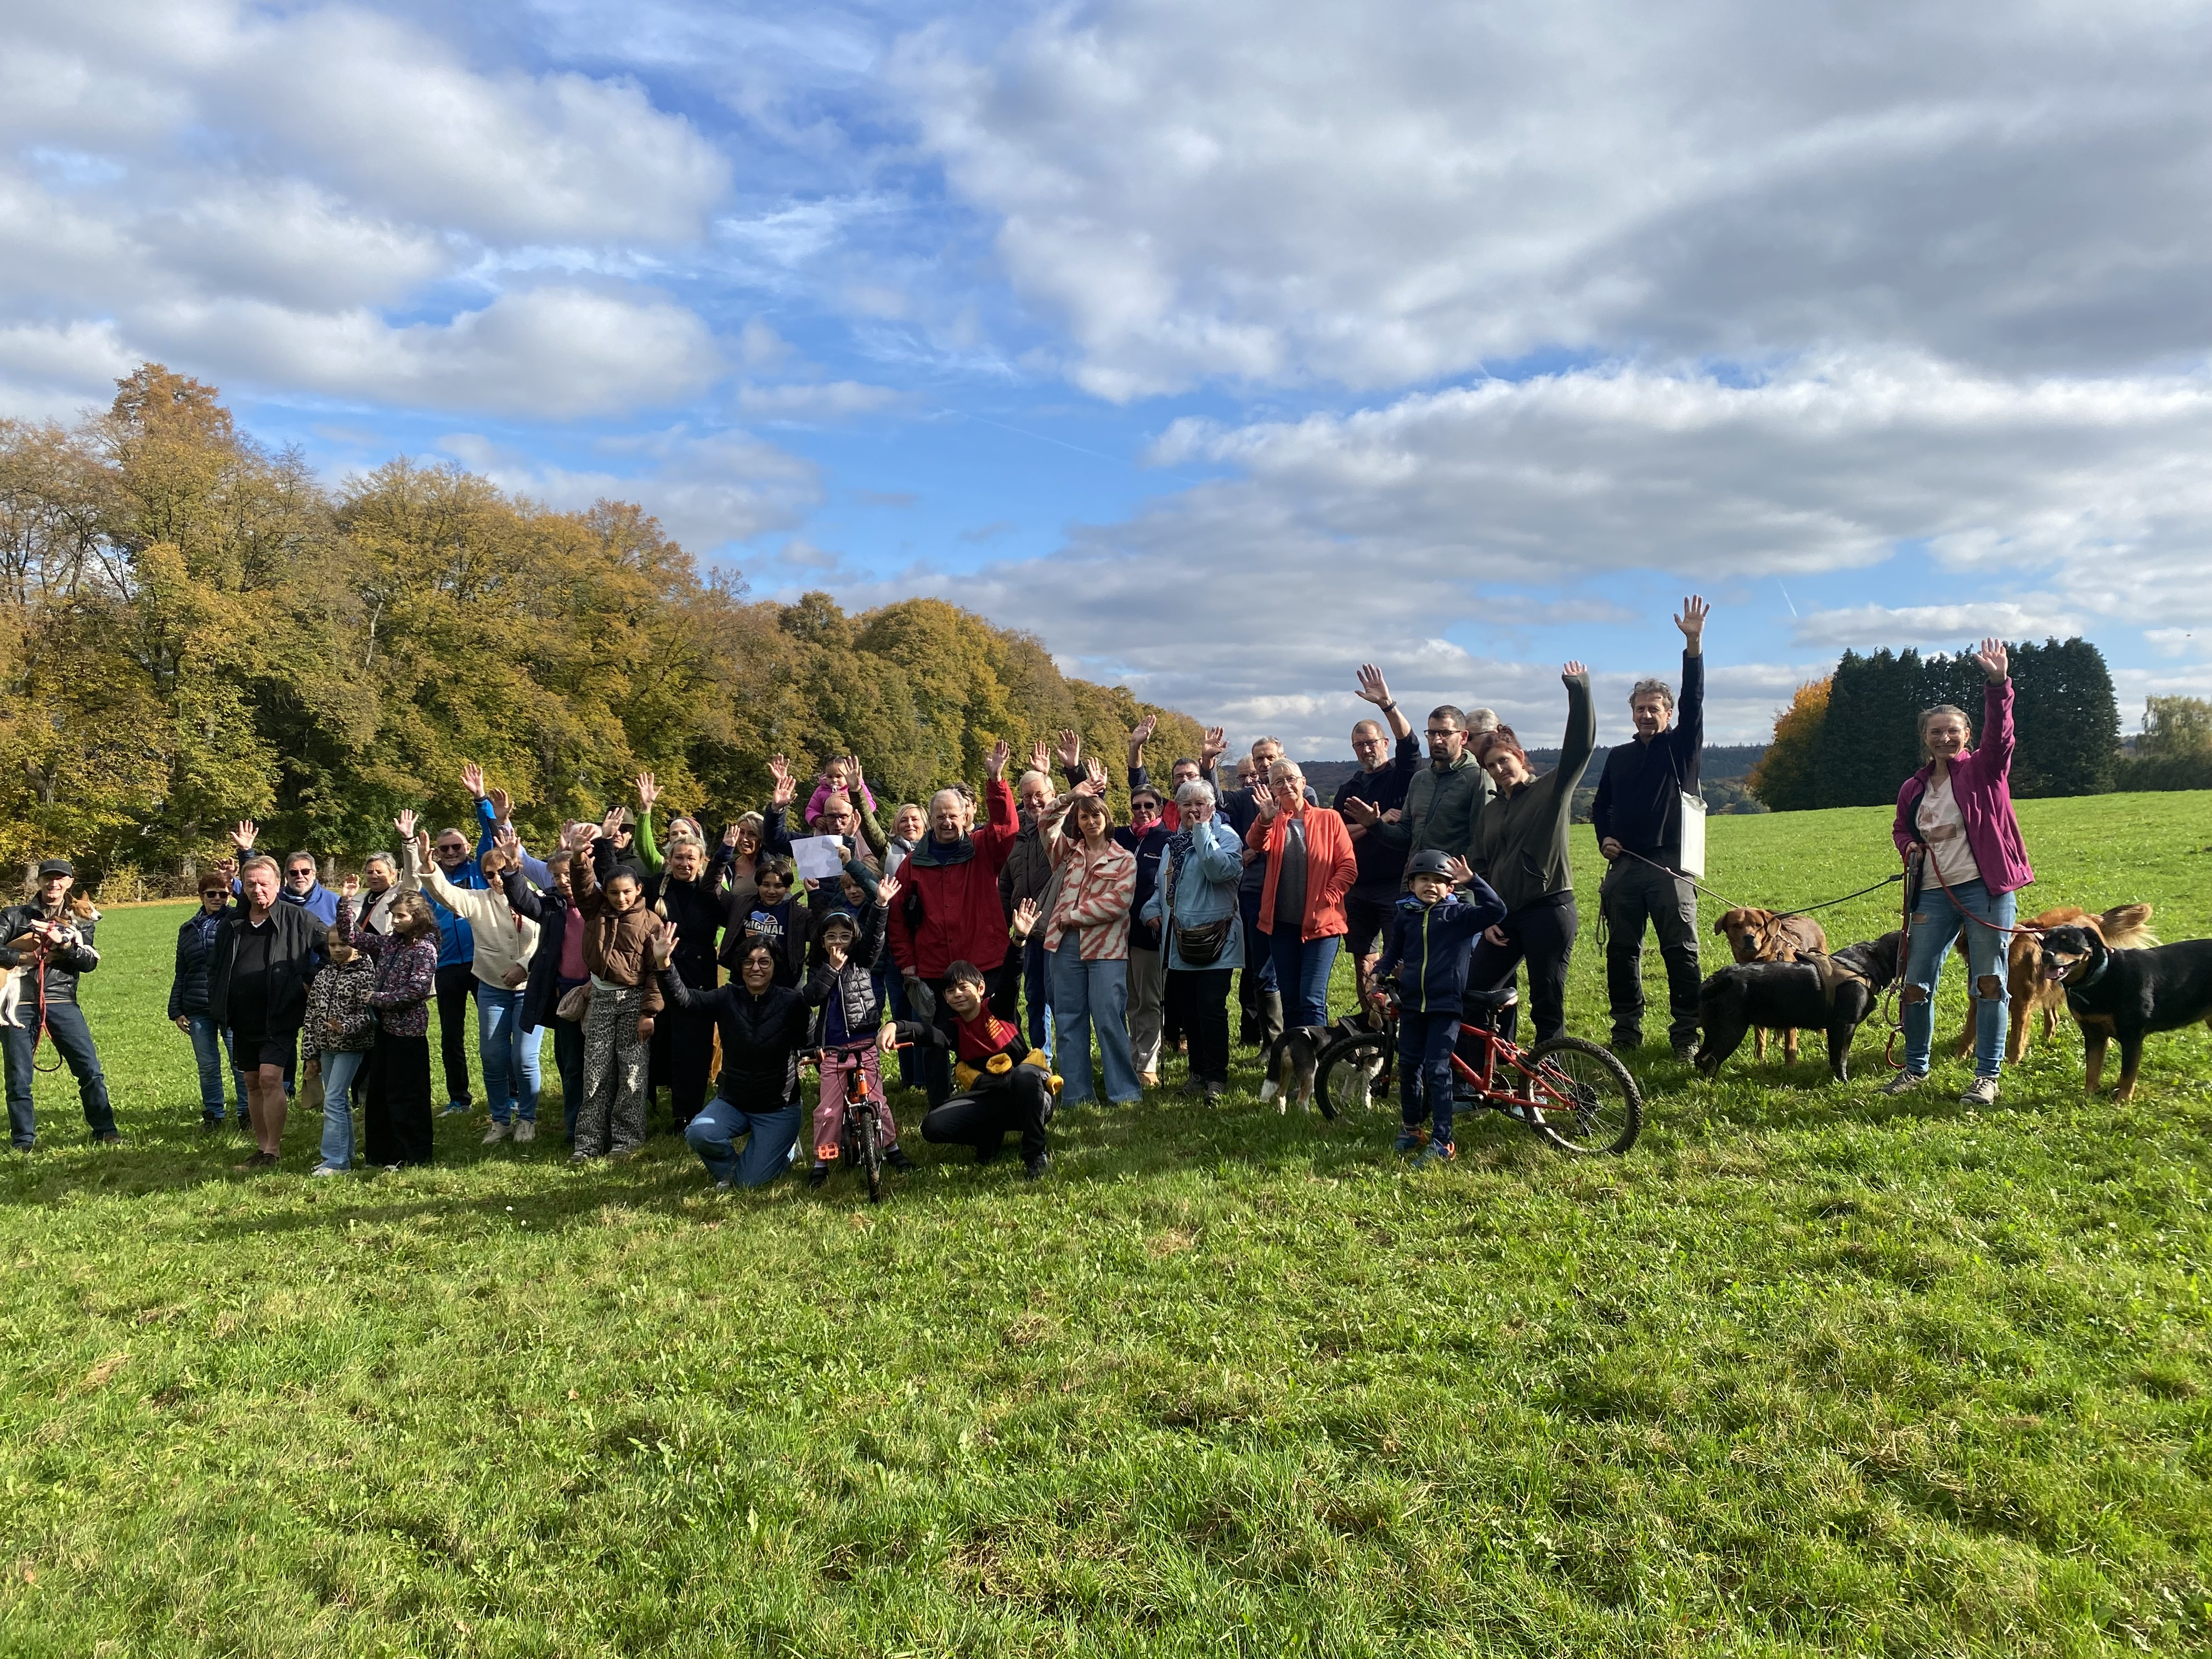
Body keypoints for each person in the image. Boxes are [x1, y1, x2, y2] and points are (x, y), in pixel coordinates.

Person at [1886, 639, 2032, 1106]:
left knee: (1989, 981)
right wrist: (1910, 847)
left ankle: (1986, 1076)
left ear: (1966, 735)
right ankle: (1914, 1069)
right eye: (1936, 732)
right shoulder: (1914, 786)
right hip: (1930, 893)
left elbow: (2002, 737)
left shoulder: (1986, 770)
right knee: (1915, 982)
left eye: (1952, 731)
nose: (1945, 738)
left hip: (1985, 889)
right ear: (1925, 737)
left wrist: (1998, 684)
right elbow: (1900, 829)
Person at [1594, 596, 1709, 1061]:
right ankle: (1626, 1031)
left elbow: (1697, 698)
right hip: (1624, 868)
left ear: (1669, 712)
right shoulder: (1618, 757)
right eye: (1639, 708)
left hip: (1671, 866)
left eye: (1654, 708)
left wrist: (1694, 646)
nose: (1646, 715)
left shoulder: (1681, 747)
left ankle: (1686, 1034)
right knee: (1622, 953)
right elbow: (1601, 807)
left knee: (1681, 952)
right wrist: (1604, 837)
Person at [1466, 664, 1596, 1046]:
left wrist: (1579, 691)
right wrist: (1483, 914)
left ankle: (1546, 1079)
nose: (1499, 770)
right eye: (1491, 766)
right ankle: (1481, 1078)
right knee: (1475, 992)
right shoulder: (1491, 810)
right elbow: (1481, 865)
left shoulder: (1551, 792)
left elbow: (1581, 746)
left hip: (1548, 910)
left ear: (1520, 757)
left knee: (1546, 1001)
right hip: (1504, 916)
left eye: (1504, 761)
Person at [888, 740, 1020, 1107]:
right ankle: (940, 1106)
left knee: (1001, 1032)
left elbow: (1007, 829)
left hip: (986, 964)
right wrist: (907, 963)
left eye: (954, 815)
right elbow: (897, 917)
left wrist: (996, 781)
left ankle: (1011, 1094)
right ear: (932, 819)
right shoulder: (913, 863)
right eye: (941, 816)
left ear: (965, 816)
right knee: (934, 1039)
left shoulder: (981, 848)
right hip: (934, 969)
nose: (947, 822)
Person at [409, 821, 543, 1144]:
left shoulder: (535, 899)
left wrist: (525, 967)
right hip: (492, 989)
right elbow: (445, 893)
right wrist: (429, 869)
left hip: (529, 990)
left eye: (503, 871)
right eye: (490, 874)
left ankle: (527, 1118)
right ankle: (500, 1121)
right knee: (493, 1057)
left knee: (523, 1059)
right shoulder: (477, 900)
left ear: (515, 869)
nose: (497, 879)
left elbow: (544, 940)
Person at [653, 935, 823, 1189]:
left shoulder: (791, 1002)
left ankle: (785, 1151)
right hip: (734, 1102)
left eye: (764, 962)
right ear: (739, 967)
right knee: (699, 1133)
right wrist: (664, 962)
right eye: (748, 962)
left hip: (779, 1108)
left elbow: (809, 1041)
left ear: (775, 966)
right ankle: (734, 1167)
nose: (756, 968)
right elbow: (685, 1002)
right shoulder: (727, 997)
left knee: (749, 1183)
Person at [1373, 850, 1508, 1167]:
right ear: (1412, 884)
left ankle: (1444, 1141)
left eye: (1438, 881)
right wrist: (1381, 968)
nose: (1430, 885)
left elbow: (1497, 910)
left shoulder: (1459, 915)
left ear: (1449, 888)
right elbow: (1394, 950)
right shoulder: (1406, 915)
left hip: (1445, 1006)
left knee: (1437, 1070)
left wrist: (1473, 881)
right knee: (1408, 1067)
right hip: (1412, 1005)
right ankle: (1412, 1129)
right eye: (1423, 880)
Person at [205, 855, 324, 1167]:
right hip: (241, 1017)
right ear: (243, 887)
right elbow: (215, 967)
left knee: (271, 1078)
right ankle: (260, 1149)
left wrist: (308, 982)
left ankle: (273, 1150)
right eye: (252, 884)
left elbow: (334, 949)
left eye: (265, 883)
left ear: (279, 885)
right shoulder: (233, 924)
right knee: (253, 1081)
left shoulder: (299, 919)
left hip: (280, 1014)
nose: (258, 889)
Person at [895, 953, 1057, 1178]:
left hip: (1033, 1097)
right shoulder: (954, 1030)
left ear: (981, 988)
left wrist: (1019, 941)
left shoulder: (1000, 1008)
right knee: (933, 1126)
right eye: (951, 991)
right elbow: (927, 1033)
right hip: (991, 1099)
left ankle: (1035, 1154)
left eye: (963, 987)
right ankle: (988, 1137)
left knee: (1026, 1074)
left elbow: (1011, 976)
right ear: (945, 997)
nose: (958, 994)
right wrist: (895, 1027)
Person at [0, 859, 121, 1151]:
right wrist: (23, 958)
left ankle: (105, 1130)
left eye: (60, 879)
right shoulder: (14, 915)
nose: (54, 884)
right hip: (19, 1000)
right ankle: (23, 1140)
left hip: (61, 998)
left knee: (89, 1068)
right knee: (18, 1076)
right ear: (39, 882)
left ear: (69, 883)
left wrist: (66, 946)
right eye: (49, 879)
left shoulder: (80, 918)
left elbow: (89, 961)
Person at [1040, 766, 1142, 1106]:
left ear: (1106, 819)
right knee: (1069, 1021)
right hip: (1064, 947)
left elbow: (1119, 902)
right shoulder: (1067, 853)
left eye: (1095, 815)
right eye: (1083, 816)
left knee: (1110, 1020)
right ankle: (1076, 1095)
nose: (1089, 821)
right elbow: (1045, 821)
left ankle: (1124, 1092)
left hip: (1107, 950)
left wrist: (1072, 916)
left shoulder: (1124, 858)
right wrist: (1073, 795)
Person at [804, 886, 919, 1187]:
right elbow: (812, 996)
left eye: (844, 936)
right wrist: (831, 970)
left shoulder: (862, 961)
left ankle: (891, 1147)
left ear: (853, 939)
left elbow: (874, 937)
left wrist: (881, 904)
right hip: (833, 1050)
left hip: (865, 1046)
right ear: (822, 941)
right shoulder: (819, 966)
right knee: (828, 1110)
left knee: (878, 1101)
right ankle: (822, 1161)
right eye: (831, 937)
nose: (838, 942)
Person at [569, 819, 666, 1162]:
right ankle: (588, 1144)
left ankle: (627, 1141)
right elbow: (582, 887)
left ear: (639, 890)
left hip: (635, 1001)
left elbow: (657, 973)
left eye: (627, 892)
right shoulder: (597, 909)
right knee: (595, 1072)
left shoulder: (652, 922)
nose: (621, 898)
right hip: (601, 998)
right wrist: (580, 859)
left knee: (632, 1074)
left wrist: (649, 1013)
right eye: (614, 892)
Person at [1142, 777, 1245, 1099]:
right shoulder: (1172, 845)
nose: (1194, 809)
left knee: (1211, 1009)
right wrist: (1149, 910)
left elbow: (1217, 871)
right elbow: (1165, 890)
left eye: (1201, 804)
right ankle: (1197, 1074)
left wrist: (1201, 832)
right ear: (1179, 809)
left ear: (1212, 808)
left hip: (1215, 941)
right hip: (1178, 945)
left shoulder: (1227, 838)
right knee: (1189, 1013)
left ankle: (1217, 1078)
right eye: (1187, 804)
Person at [335, 880, 441, 1169]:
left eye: (401, 916)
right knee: (379, 1093)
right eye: (393, 915)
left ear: (417, 917)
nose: (394, 921)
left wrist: (378, 998)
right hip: (383, 1029)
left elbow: (417, 991)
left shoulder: (425, 949)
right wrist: (346, 902)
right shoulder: (389, 942)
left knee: (406, 1095)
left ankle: (410, 1155)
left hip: (408, 1032)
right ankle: (380, 1154)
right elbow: (351, 937)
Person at [1246, 760, 1358, 1030]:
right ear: (1272, 789)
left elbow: (1348, 866)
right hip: (1282, 926)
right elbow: (1255, 844)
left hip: (1322, 926)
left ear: (1303, 782)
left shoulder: (1329, 818)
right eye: (1278, 782)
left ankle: (1319, 1064)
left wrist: (1328, 897)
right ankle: (1299, 1064)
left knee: (1311, 998)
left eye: (1291, 779)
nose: (1286, 786)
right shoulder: (1273, 820)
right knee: (1291, 999)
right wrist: (1265, 819)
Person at [1335, 664, 1421, 1008]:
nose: (1366, 750)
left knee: (1399, 959)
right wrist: (1375, 822)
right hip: (1357, 887)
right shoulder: (1349, 789)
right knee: (1363, 961)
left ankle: (1403, 1028)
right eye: (1359, 745)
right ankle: (1372, 1031)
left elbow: (1411, 745)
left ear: (1384, 743)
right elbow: (1338, 836)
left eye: (1371, 743)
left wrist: (1388, 706)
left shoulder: (1402, 777)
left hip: (1395, 884)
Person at [1221, 737, 1314, 1047]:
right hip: (1253, 893)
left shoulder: (1304, 795)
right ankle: (1272, 1043)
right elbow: (1219, 802)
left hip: (1291, 893)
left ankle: (1304, 1040)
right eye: (1258, 759)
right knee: (1260, 970)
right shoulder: (1248, 796)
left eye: (1269, 757)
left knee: (1295, 973)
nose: (1263, 764)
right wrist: (1209, 764)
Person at [422, 766, 503, 1117]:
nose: (451, 851)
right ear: (437, 852)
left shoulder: (480, 868)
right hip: (447, 964)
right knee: (451, 1036)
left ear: (468, 847)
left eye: (457, 846)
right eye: (445, 848)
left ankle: (510, 1093)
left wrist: (480, 798)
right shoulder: (435, 876)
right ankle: (459, 1099)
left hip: (483, 960)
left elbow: (491, 831)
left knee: (495, 1034)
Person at [1349, 703, 1498, 890]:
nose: (1437, 740)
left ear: (1463, 737)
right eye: (1432, 733)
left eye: (1445, 733)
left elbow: (1483, 844)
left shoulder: (1479, 779)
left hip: (1455, 895)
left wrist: (1470, 890)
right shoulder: (1420, 779)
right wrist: (1375, 825)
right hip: (1414, 890)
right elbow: (1405, 836)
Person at [639, 826, 728, 1132]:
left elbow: (739, 916)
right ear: (669, 859)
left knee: (693, 1046)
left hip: (699, 977)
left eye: (691, 858)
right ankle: (645, 1101)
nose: (685, 863)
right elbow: (614, 880)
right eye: (679, 857)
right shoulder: (652, 888)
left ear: (702, 860)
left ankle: (686, 1113)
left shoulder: (711, 893)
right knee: (658, 1040)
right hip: (659, 973)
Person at [500, 842, 586, 1138]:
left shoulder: (599, 904)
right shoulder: (553, 905)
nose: (564, 881)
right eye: (558, 876)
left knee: (597, 1062)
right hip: (565, 995)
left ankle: (600, 1123)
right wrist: (512, 871)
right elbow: (523, 900)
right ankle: (575, 1127)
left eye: (569, 874)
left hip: (598, 992)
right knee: (571, 1064)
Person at [999, 739, 1065, 1047]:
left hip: (1056, 928)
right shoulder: (1015, 835)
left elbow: (1078, 804)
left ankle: (1071, 1060)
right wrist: (1005, 925)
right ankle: (1042, 1057)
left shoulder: (1063, 827)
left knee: (1059, 997)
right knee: (1035, 997)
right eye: (1027, 796)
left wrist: (1047, 774)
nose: (1034, 801)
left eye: (1040, 795)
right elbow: (1005, 885)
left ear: (1052, 796)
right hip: (1026, 930)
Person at [301, 923, 377, 1175]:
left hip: (351, 1046)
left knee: (333, 1099)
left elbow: (370, 1016)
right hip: (326, 1046)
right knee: (338, 1100)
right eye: (332, 945)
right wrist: (310, 1053)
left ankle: (335, 1161)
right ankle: (345, 1154)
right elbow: (311, 1014)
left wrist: (344, 1027)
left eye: (342, 945)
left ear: (355, 944)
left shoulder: (366, 975)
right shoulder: (323, 975)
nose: (336, 950)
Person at [170, 874, 244, 1130]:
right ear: (201, 895)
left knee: (240, 1063)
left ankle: (247, 1113)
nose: (217, 899)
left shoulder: (236, 920)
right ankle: (214, 1114)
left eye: (223, 894)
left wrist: (236, 881)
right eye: (211, 894)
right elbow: (182, 970)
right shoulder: (187, 929)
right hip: (197, 1006)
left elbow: (249, 902)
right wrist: (176, 1009)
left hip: (231, 1004)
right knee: (208, 1065)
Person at [1119, 781, 1174, 1084]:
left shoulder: (1168, 840)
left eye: (1148, 806)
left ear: (1160, 808)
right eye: (1136, 805)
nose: (1142, 811)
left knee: (1150, 1001)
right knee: (1130, 1000)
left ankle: (1148, 1064)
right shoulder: (1119, 837)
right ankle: (1133, 1057)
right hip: (1117, 933)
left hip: (1149, 935)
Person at [224, 822, 341, 927]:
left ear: (314, 874)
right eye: (294, 873)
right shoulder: (275, 898)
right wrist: (246, 852)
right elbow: (252, 885)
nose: (300, 876)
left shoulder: (333, 901)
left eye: (305, 872)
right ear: (286, 876)